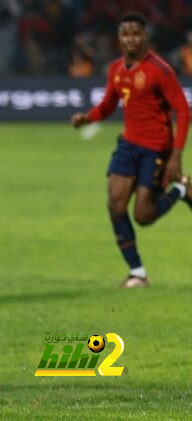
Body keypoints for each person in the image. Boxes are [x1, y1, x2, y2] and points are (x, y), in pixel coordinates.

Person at [71, 12, 192, 289]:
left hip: (156, 148)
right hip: (128, 144)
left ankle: (182, 189)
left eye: (136, 33)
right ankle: (137, 273)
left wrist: (176, 154)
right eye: (125, 34)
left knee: (143, 216)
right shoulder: (115, 69)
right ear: (119, 38)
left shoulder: (159, 70)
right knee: (115, 204)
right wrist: (88, 117)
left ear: (145, 36)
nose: (130, 39)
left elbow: (183, 111)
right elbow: (109, 104)